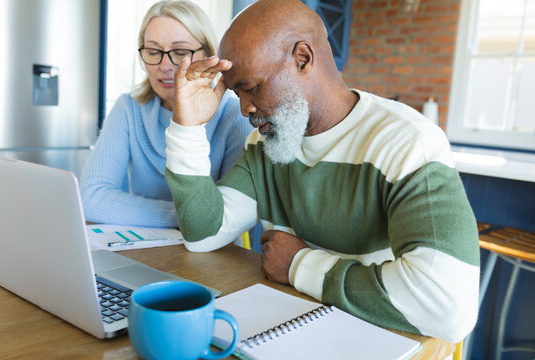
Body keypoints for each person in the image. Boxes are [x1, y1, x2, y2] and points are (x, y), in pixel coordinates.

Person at [164, 0, 480, 343]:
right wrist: (187, 127)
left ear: (303, 58)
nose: (245, 109)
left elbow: (449, 307)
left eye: (252, 87)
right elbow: (203, 235)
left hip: (381, 339)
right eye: (237, 91)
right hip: (291, 332)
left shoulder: (407, 143)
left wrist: (299, 265)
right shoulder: (264, 144)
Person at [80, 0, 253, 228]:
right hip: (147, 251)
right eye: (153, 52)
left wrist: (203, 219)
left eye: (180, 52)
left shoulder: (234, 115)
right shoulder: (128, 108)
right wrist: (188, 217)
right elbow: (91, 199)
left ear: (208, 54)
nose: (164, 66)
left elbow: (231, 215)